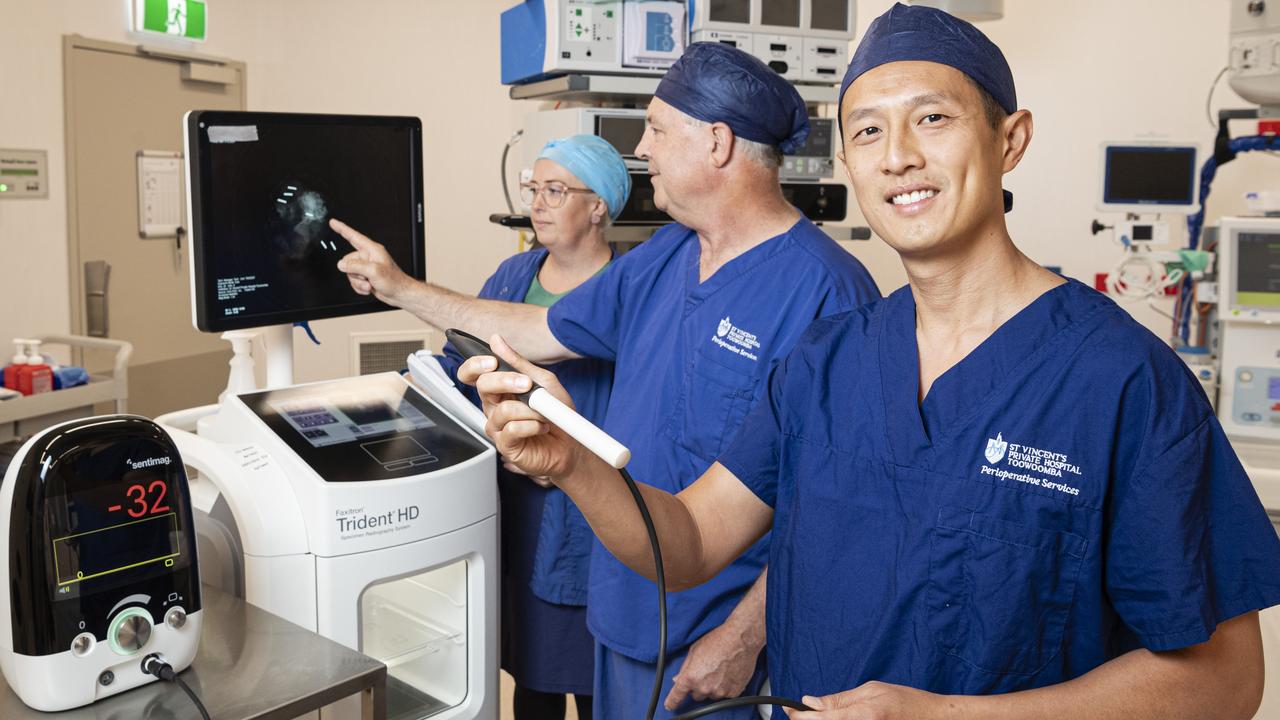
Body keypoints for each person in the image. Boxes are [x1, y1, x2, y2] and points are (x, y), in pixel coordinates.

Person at [463, 5, 1280, 719]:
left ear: (1011, 139)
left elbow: (1225, 680)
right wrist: (571, 456)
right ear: (849, 165)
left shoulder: (1121, 379)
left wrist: (956, 718)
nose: (897, 156)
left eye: (933, 119)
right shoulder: (828, 364)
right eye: (867, 131)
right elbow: (687, 542)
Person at [331, 42, 881, 719]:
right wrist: (402, 289)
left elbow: (834, 509)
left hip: (718, 646)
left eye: (654, 127)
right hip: (622, 610)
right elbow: (539, 328)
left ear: (715, 141)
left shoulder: (829, 292)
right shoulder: (668, 255)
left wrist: (743, 636)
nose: (641, 148)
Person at [432, 134, 628, 720]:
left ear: (598, 207)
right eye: (534, 189)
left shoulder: (628, 288)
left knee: (595, 674)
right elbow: (456, 365)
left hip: (586, 502)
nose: (538, 203)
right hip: (512, 497)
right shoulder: (514, 274)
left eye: (556, 190)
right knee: (528, 675)